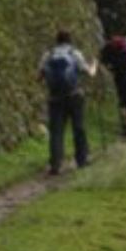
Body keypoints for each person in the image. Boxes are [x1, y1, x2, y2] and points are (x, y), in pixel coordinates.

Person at [38, 30, 99, 175]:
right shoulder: (74, 53)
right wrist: (94, 65)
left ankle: (55, 164)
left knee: (56, 131)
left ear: (57, 40)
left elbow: (38, 77)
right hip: (74, 95)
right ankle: (82, 159)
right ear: (69, 40)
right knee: (78, 127)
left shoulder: (48, 55)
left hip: (55, 98)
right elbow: (89, 73)